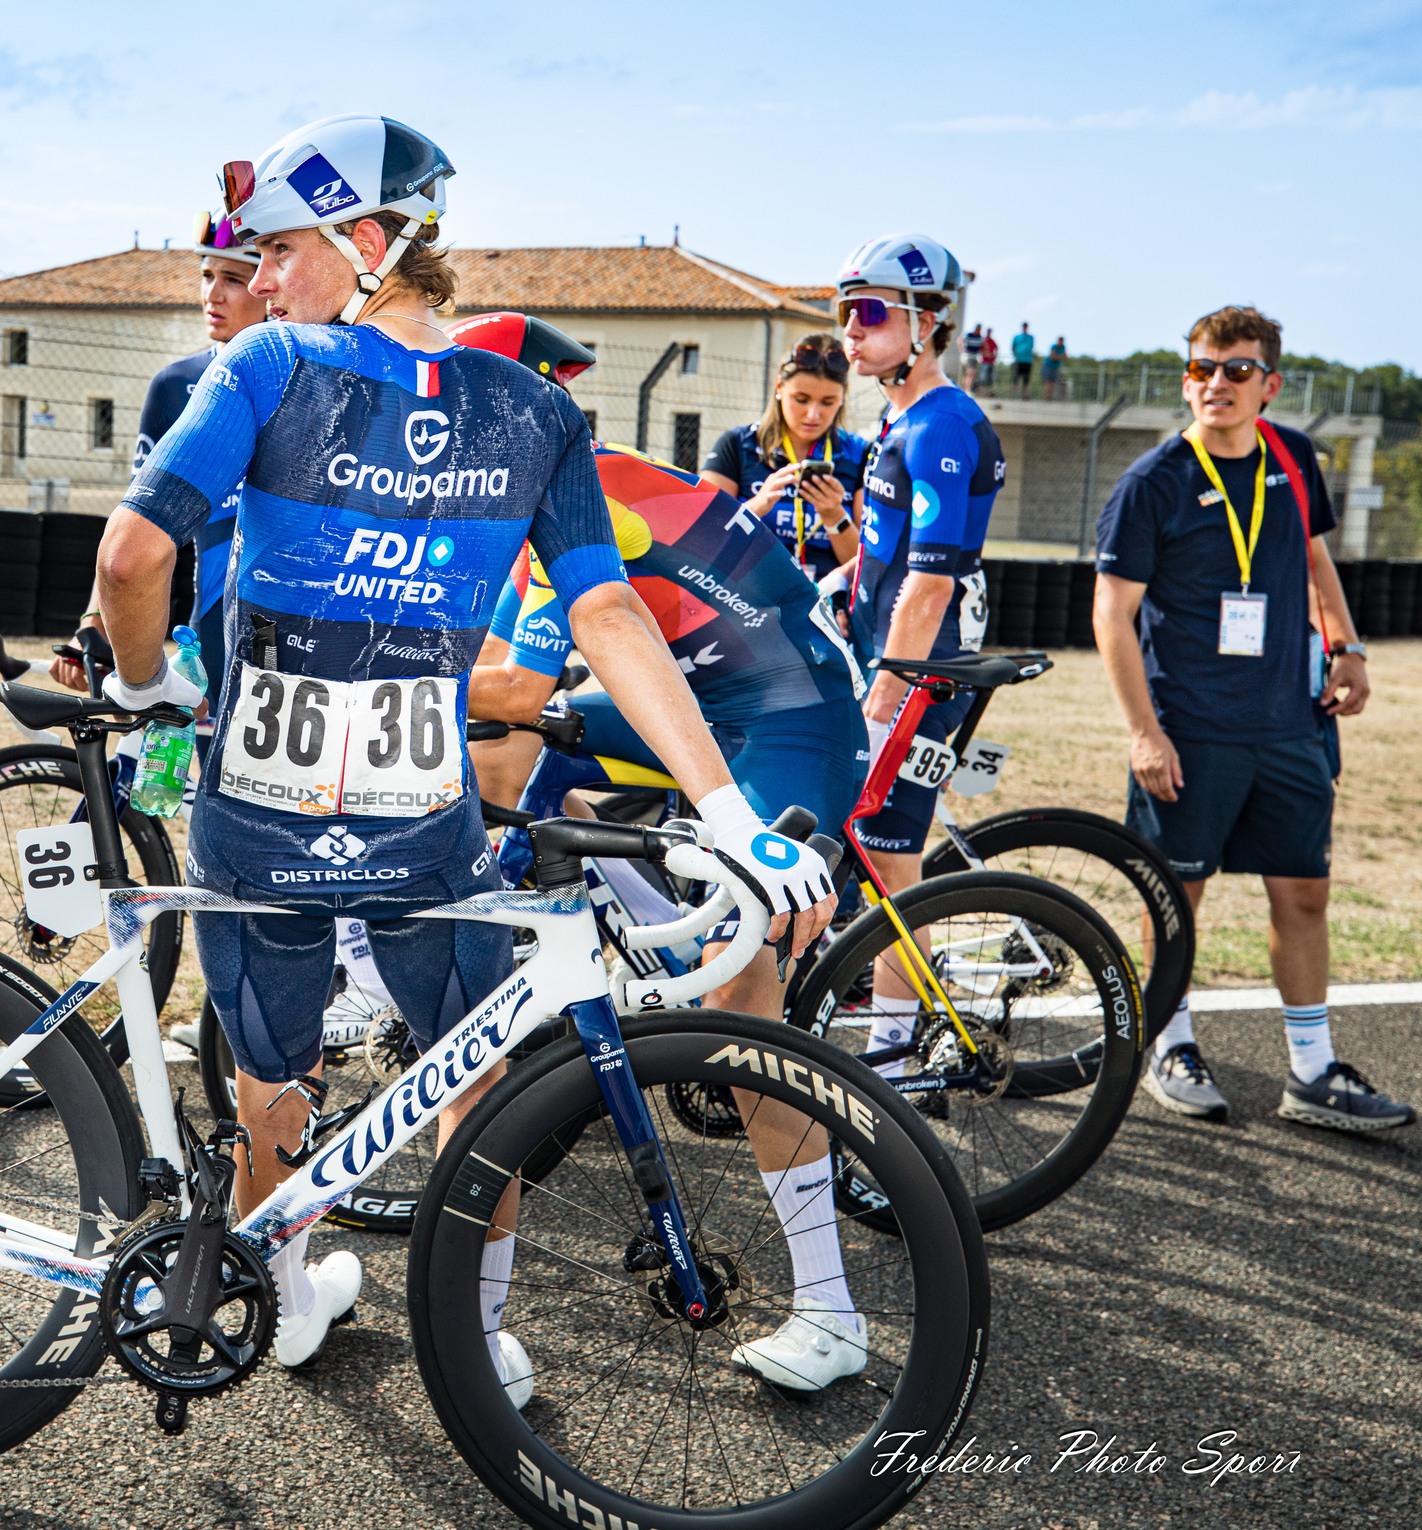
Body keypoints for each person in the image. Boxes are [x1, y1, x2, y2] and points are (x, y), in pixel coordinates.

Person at [92, 115, 838, 1392]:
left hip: (258, 810)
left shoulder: (268, 365)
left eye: (275, 250)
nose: (257, 279)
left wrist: (155, 684)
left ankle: (283, 1295)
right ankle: (479, 1342)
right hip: (417, 816)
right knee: (467, 1080)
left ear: (367, 245)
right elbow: (605, 616)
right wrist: (719, 810)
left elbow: (129, 557)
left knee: (274, 1073)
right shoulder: (539, 410)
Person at [457, 311, 874, 1392]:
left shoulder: (580, 504)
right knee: (557, 778)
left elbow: (507, 688)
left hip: (788, 720)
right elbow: (508, 698)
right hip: (706, 698)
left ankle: (831, 1314)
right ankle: (620, 963)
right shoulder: (563, 484)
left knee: (746, 1004)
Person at [1093, 305, 1411, 1132]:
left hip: (1289, 725)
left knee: (1303, 894)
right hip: (1191, 729)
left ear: (1270, 384)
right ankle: (1171, 1040)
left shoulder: (1294, 457)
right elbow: (1110, 615)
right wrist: (1142, 729)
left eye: (1236, 370)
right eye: (1201, 368)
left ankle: (1311, 1071)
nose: (1215, 385)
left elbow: (1312, 556)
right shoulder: (1154, 481)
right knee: (1177, 896)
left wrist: (1345, 645)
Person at [833, 235, 1003, 1068]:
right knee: (869, 858)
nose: (850, 333)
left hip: (922, 674)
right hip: (891, 658)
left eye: (867, 314)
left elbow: (930, 584)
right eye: (844, 314)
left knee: (894, 868)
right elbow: (881, 554)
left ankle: (894, 1064)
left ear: (925, 323)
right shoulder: (900, 416)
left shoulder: (942, 425)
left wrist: (884, 696)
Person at [51, 211, 264, 691]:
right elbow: (135, 516)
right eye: (207, 276)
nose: (213, 293)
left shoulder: (315, 381)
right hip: (210, 624)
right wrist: (95, 620)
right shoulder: (176, 385)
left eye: (233, 278)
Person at [697, 334, 870, 581]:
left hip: (828, 602)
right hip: (745, 599)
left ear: (842, 399)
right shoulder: (736, 445)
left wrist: (834, 515)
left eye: (828, 402)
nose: (813, 414)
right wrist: (756, 507)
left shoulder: (861, 453)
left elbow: (867, 567)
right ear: (779, 388)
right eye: (801, 400)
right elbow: (700, 539)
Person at [1010, 322, 1037, 398]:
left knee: (1026, 379)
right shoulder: (1016, 337)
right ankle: (1013, 395)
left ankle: (1024, 395)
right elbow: (1013, 347)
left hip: (1028, 361)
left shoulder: (1031, 337)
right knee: (1015, 378)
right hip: (1018, 360)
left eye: (1026, 326)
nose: (1025, 327)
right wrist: (1016, 354)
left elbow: (1031, 348)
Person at [1042, 335, 1067, 400]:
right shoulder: (1054, 346)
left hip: (1056, 367)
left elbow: (1065, 357)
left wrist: (1057, 356)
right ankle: (1046, 397)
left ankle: (1050, 397)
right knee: (1048, 382)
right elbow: (1052, 357)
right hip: (1048, 366)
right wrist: (1060, 357)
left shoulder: (1063, 347)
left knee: (1053, 382)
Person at [960, 324, 983, 392]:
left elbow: (983, 346)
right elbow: (960, 341)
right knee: (970, 373)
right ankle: (966, 389)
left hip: (975, 357)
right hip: (969, 356)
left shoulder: (979, 337)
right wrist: (962, 350)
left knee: (972, 374)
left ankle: (967, 388)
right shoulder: (969, 335)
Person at [978, 327, 998, 392]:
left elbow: (996, 349)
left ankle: (990, 391)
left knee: (990, 378)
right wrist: (986, 354)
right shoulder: (983, 340)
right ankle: (981, 391)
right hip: (984, 362)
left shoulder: (992, 341)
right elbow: (980, 350)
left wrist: (994, 356)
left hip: (991, 362)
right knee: (982, 377)